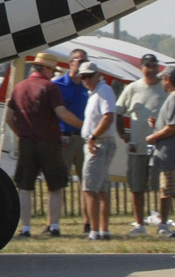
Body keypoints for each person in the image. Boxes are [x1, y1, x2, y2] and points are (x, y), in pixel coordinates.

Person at [5, 51, 83, 238]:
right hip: (49, 142)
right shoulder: (50, 88)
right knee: (55, 185)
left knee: (25, 186)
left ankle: (25, 228)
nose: (52, 74)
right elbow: (62, 113)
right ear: (46, 68)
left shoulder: (19, 87)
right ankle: (54, 225)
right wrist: (83, 125)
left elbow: (8, 117)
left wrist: (20, 133)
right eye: (52, 70)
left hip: (26, 142)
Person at [115, 53, 167, 235]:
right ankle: (139, 224)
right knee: (137, 187)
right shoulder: (132, 88)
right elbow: (118, 111)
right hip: (138, 146)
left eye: (154, 66)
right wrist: (122, 134)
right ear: (141, 68)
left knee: (163, 187)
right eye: (148, 66)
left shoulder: (165, 87)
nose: (152, 70)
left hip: (161, 147)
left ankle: (163, 223)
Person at [145, 66, 175, 239]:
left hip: (172, 153)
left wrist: (154, 136)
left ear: (169, 80)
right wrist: (157, 124)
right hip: (173, 153)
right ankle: (166, 224)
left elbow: (173, 126)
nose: (162, 83)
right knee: (167, 190)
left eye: (163, 79)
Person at [77, 62, 117, 240]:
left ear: (97, 75)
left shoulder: (104, 91)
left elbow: (108, 117)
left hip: (99, 144)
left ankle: (94, 231)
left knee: (90, 189)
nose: (86, 80)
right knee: (101, 189)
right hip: (98, 142)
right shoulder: (94, 93)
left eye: (89, 75)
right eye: (82, 77)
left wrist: (93, 136)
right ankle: (103, 230)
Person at [53, 49, 90, 185]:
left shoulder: (88, 86)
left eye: (86, 61)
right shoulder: (58, 85)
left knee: (86, 181)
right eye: (81, 61)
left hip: (83, 138)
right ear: (71, 63)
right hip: (64, 139)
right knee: (60, 180)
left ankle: (85, 207)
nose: (84, 64)